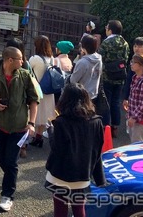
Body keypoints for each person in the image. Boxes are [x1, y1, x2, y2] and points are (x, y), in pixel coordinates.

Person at [0, 46, 39, 212]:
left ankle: (7, 195)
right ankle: (10, 177)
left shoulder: (25, 76)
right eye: (20, 59)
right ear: (9, 60)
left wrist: (32, 123)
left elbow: (34, 101)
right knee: (0, 155)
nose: (22, 61)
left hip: (19, 128)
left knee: (11, 162)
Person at [45, 84, 106, 217]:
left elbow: (57, 149)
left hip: (61, 174)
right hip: (83, 174)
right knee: (79, 209)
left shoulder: (61, 122)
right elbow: (97, 150)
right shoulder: (97, 122)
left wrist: (50, 130)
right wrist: (100, 178)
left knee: (60, 209)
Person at [99, 20, 130, 138]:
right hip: (120, 76)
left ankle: (105, 127)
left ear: (110, 30)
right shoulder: (125, 43)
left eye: (107, 28)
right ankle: (115, 127)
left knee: (106, 102)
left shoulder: (107, 43)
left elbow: (100, 58)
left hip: (108, 76)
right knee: (116, 102)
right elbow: (126, 59)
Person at [70, 35, 107, 124]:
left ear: (84, 47)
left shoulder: (82, 62)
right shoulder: (99, 58)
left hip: (81, 95)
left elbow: (73, 80)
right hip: (93, 94)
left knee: (80, 120)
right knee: (89, 119)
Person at [28, 36, 56, 148]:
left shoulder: (34, 58)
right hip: (48, 90)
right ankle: (39, 137)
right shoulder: (52, 58)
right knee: (44, 114)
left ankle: (29, 137)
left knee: (33, 114)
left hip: (36, 90)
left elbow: (27, 71)